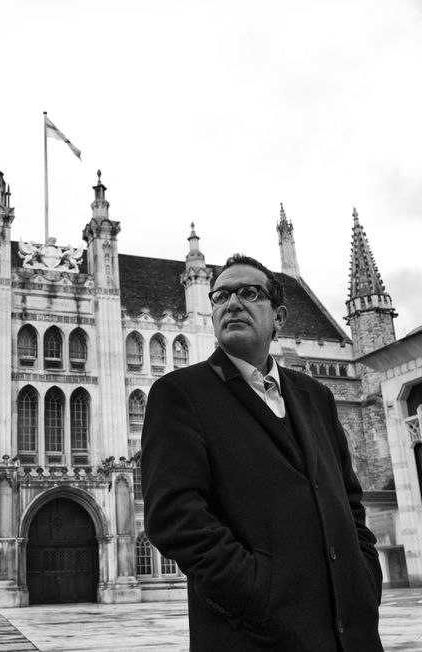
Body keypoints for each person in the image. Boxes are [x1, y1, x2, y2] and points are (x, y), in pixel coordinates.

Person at [141, 254, 383, 651]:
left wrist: (364, 577)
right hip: (253, 635)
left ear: (279, 316)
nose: (232, 303)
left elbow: (349, 501)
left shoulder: (315, 396)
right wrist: (255, 594)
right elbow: (174, 516)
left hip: (351, 634)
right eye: (220, 296)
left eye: (249, 293)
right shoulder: (181, 394)